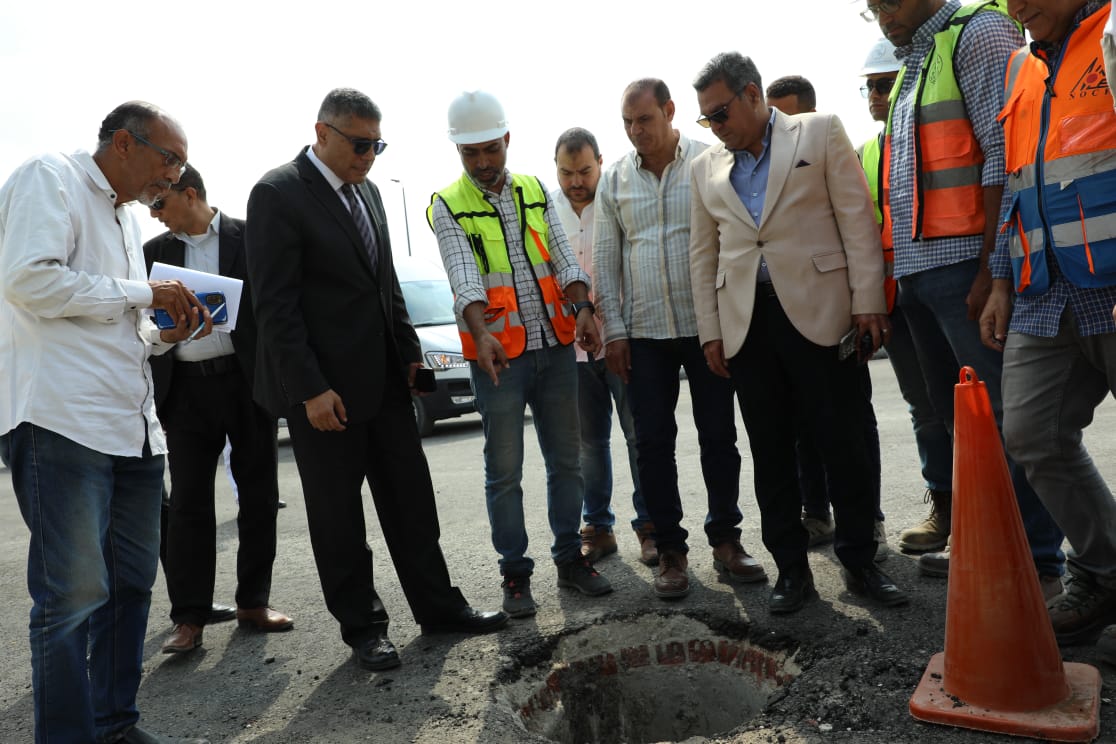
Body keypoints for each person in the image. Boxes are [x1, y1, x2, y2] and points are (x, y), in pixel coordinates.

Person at [245, 88, 507, 673]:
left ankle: (438, 607)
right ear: (322, 133)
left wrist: (410, 355)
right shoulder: (278, 194)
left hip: (386, 383)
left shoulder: (368, 192)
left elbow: (384, 283)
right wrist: (309, 389)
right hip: (326, 396)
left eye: (377, 146)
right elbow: (276, 307)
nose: (369, 156)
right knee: (339, 519)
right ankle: (364, 627)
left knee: (412, 503)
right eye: (360, 145)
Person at [0, 101, 211, 743]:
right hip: (60, 423)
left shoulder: (124, 217)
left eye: (180, 167)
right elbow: (30, 281)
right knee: (71, 597)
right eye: (169, 160)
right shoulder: (50, 177)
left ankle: (114, 725)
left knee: (130, 585)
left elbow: (121, 324)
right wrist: (145, 294)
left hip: (132, 430)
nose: (174, 177)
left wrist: (165, 333)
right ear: (123, 143)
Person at [689, 51, 907, 613]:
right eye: (706, 118)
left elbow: (857, 219)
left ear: (752, 94)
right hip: (748, 326)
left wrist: (867, 302)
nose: (714, 126)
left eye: (720, 113)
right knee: (770, 453)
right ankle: (791, 570)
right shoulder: (705, 167)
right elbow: (703, 255)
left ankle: (860, 562)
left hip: (822, 313)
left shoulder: (819, 132)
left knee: (844, 443)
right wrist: (711, 332)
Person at [863, 0, 1065, 589]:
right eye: (871, 8)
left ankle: (1037, 562)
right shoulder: (914, 60)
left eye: (889, 2)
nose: (882, 16)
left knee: (1006, 420)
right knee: (965, 425)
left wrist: (991, 270)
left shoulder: (977, 35)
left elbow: (1004, 155)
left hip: (965, 271)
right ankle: (988, 547)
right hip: (920, 274)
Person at [428, 91, 612, 619]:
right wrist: (479, 331)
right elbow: (464, 276)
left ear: (507, 139)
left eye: (491, 149)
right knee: (504, 471)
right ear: (458, 151)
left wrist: (583, 309)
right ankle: (515, 573)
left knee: (567, 462)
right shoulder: (447, 204)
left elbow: (562, 256)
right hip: (498, 359)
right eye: (471, 153)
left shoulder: (534, 190)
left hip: (554, 348)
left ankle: (570, 560)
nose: (483, 162)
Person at [594, 78, 765, 600]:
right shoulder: (614, 179)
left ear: (669, 111)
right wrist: (614, 332)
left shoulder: (709, 162)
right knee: (651, 444)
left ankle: (726, 540)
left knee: (719, 436)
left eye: (644, 119)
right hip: (643, 334)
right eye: (627, 123)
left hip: (704, 327)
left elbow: (731, 239)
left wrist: (729, 320)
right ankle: (670, 550)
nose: (635, 131)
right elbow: (606, 260)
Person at [980, 0, 1116, 648]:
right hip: (1043, 290)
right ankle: (1106, 572)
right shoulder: (1019, 67)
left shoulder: (1112, 33)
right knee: (1032, 434)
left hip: (1110, 280)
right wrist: (1001, 281)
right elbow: (1017, 182)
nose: (1018, 7)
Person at [144, 164, 293, 655]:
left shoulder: (250, 238)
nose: (155, 213)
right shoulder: (152, 254)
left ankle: (253, 602)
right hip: (184, 390)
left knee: (259, 495)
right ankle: (189, 618)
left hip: (247, 383)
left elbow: (277, 303)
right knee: (188, 504)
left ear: (190, 194)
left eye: (160, 202)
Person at [763, 75, 890, 561]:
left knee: (851, 421)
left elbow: (859, 230)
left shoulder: (832, 151)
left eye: (787, 116)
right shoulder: (766, 166)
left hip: (838, 312)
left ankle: (868, 519)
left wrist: (864, 303)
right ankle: (815, 512)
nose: (778, 128)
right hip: (789, 314)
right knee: (799, 422)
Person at [856, 38, 954, 563]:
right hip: (897, 299)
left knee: (968, 407)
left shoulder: (932, 136)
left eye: (884, 84)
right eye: (870, 86)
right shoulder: (867, 153)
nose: (876, 95)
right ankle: (946, 505)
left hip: (947, 286)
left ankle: (990, 515)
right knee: (925, 407)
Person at [551, 127, 656, 567]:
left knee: (638, 436)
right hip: (570, 349)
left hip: (618, 339)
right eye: (566, 172)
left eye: (584, 171)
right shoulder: (546, 210)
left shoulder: (616, 201)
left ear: (600, 162)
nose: (576, 181)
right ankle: (598, 527)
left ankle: (651, 527)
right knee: (588, 445)